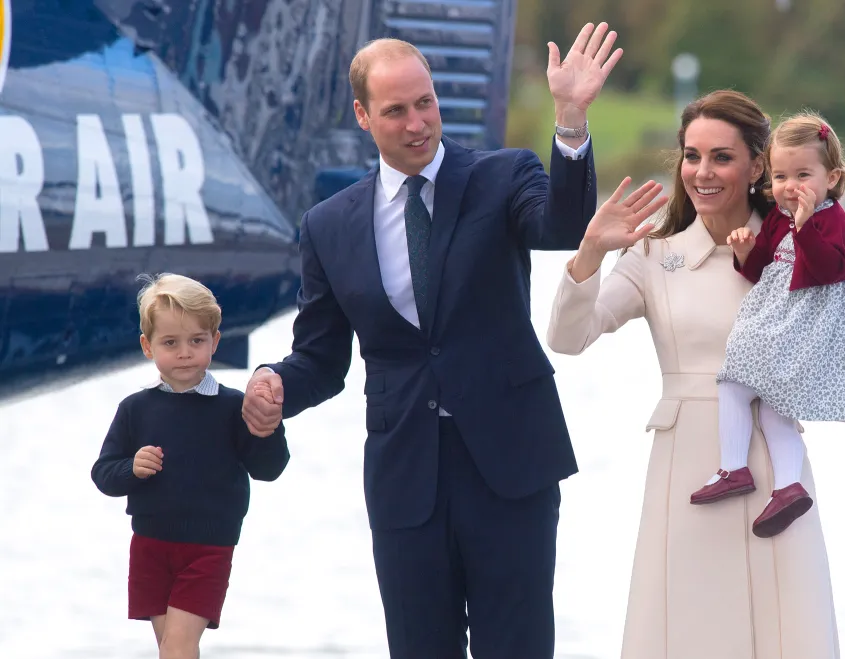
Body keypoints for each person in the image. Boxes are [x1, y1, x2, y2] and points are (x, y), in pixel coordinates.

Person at [240, 23, 620, 658]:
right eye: (396, 111)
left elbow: (563, 225)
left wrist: (572, 121)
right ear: (363, 116)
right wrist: (275, 383)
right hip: (405, 478)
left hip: (510, 465)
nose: (417, 123)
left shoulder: (504, 176)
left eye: (426, 103)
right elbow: (321, 359)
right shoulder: (328, 225)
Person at [546, 90, 840, 657]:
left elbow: (830, 337)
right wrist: (590, 251)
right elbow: (568, 338)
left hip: (777, 472)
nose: (702, 172)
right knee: (685, 626)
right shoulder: (654, 256)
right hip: (688, 471)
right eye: (692, 155)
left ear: (758, 166)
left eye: (721, 157)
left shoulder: (799, 245)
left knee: (786, 630)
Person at [691, 112, 845, 537]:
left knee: (733, 378)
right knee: (772, 405)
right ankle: (787, 487)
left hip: (811, 325)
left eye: (803, 174)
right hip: (783, 320)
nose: (790, 187)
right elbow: (759, 271)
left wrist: (804, 227)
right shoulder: (777, 220)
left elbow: (826, 269)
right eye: (781, 176)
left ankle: (734, 468)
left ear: (831, 176)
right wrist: (747, 252)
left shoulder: (831, 219)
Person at [91, 274, 290, 659]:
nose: (185, 352)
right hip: (150, 546)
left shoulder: (233, 406)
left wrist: (269, 427)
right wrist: (131, 467)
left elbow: (268, 468)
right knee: (172, 649)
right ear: (147, 347)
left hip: (209, 547)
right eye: (170, 343)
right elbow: (104, 473)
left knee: (179, 647)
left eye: (197, 341)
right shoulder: (135, 408)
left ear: (215, 342)